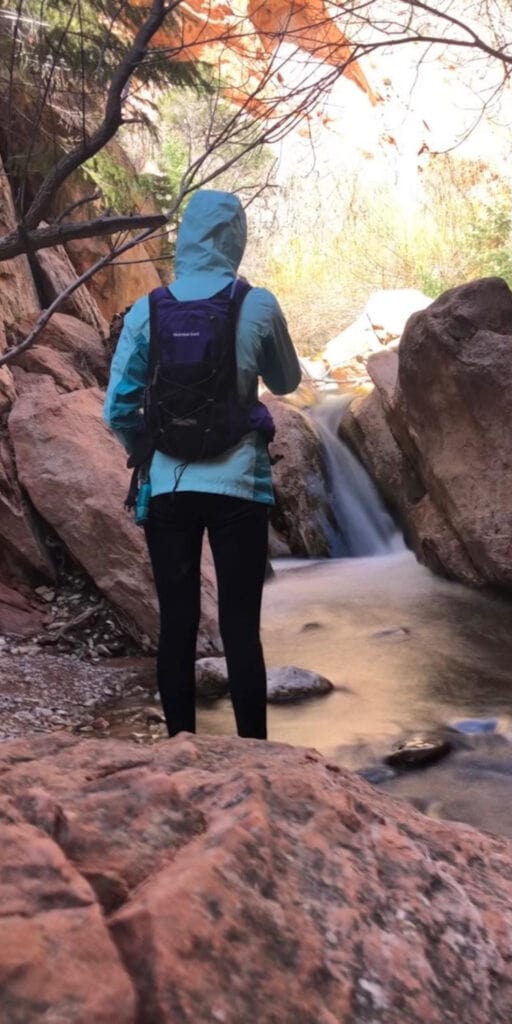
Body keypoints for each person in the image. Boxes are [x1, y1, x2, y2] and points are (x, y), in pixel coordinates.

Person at [103, 190, 301, 740]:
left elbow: (116, 405)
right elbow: (287, 382)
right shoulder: (257, 303)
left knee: (178, 626)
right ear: (235, 237)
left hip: (168, 487)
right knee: (241, 627)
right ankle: (255, 756)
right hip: (240, 487)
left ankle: (180, 749)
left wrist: (145, 451)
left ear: (187, 237)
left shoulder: (148, 309)